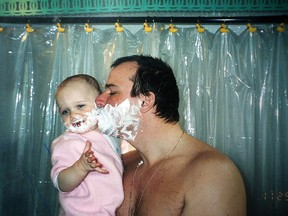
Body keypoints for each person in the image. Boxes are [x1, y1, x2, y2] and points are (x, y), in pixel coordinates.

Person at [95, 55, 247, 216]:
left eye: (112, 92)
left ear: (146, 101)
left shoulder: (212, 173)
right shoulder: (121, 163)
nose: (99, 100)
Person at [50, 74, 123, 216]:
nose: (73, 115)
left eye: (80, 106)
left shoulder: (107, 134)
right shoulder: (68, 143)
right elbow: (60, 183)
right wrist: (80, 167)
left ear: (100, 104)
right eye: (65, 111)